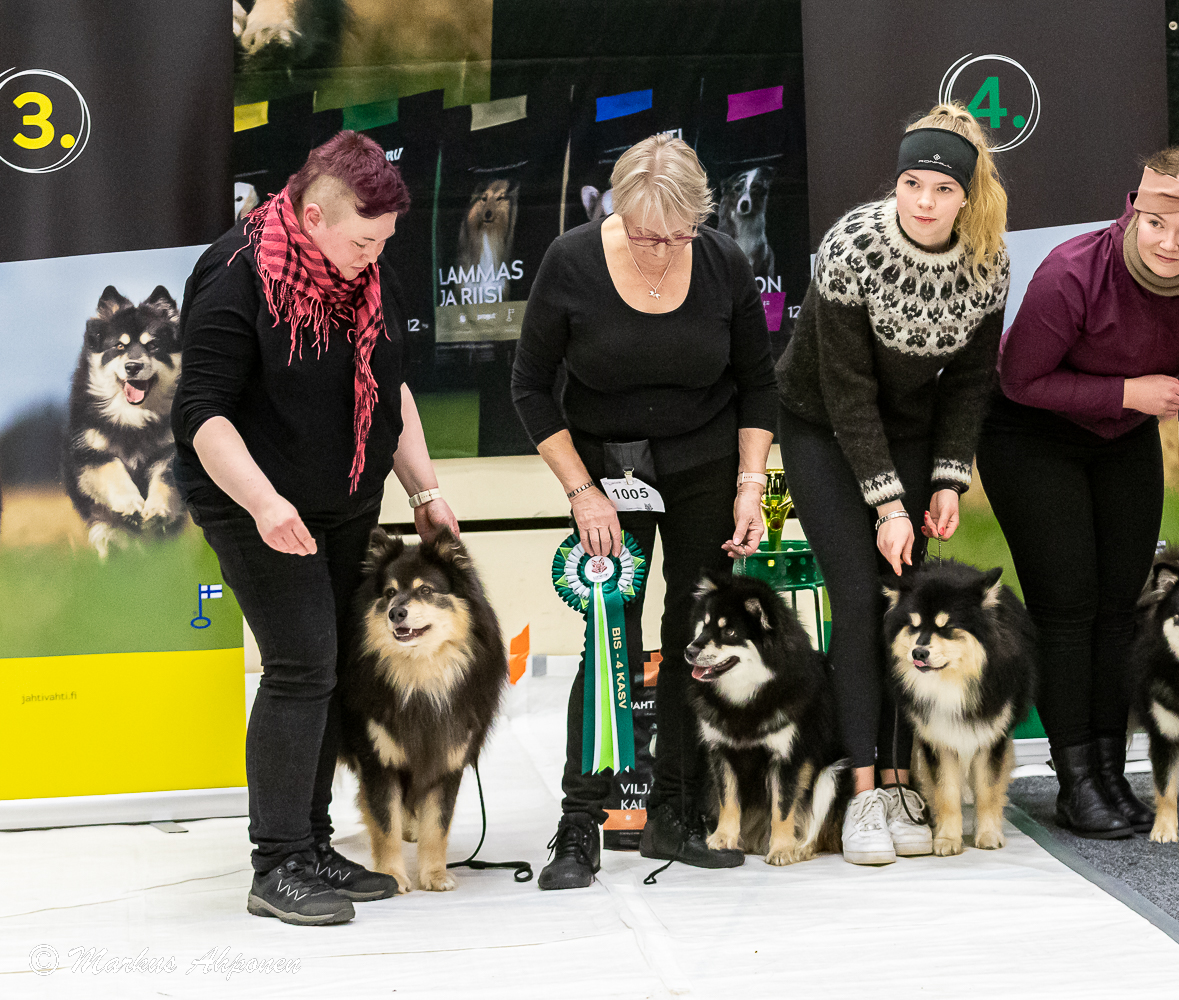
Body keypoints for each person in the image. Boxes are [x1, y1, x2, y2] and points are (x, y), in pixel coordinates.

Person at [173, 131, 459, 925]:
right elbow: (201, 415)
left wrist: (425, 489)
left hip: (344, 498)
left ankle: (312, 844)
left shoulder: (365, 269)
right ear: (312, 214)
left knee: (334, 665)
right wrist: (266, 506)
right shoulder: (234, 277)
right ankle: (276, 866)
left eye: (384, 242)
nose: (374, 257)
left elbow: (388, 385)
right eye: (363, 240)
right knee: (301, 664)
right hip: (255, 500)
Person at [511, 134, 776, 889]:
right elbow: (529, 387)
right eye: (642, 233)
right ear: (616, 211)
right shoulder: (570, 261)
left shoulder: (723, 260)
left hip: (704, 463)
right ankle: (579, 822)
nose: (660, 250)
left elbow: (758, 384)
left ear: (701, 217)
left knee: (695, 637)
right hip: (606, 471)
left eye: (676, 235)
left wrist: (751, 482)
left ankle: (678, 811)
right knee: (608, 637)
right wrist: (580, 489)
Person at [975, 148, 1179, 839]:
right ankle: (1075, 783)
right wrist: (1129, 391)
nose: (1169, 243)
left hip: (1121, 437)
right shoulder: (1073, 273)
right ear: (1134, 211)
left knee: (1121, 610)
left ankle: (1110, 771)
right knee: (1069, 606)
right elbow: (1017, 380)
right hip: (1031, 433)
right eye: (1157, 223)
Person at [775, 104, 1011, 865]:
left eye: (942, 189)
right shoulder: (852, 247)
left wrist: (946, 481)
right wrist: (887, 503)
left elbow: (971, 384)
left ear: (967, 197)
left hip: (907, 427)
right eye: (912, 183)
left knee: (909, 601)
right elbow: (844, 390)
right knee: (856, 594)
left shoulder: (987, 264)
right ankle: (862, 793)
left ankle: (906, 778)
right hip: (820, 425)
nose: (923, 201)